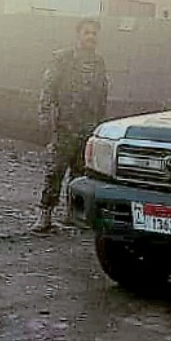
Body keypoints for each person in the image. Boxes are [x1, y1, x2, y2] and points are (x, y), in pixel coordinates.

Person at [32, 19, 108, 232]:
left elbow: (102, 95)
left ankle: (72, 215)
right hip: (64, 127)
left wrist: (100, 126)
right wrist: (44, 116)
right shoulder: (63, 59)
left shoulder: (99, 63)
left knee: (80, 175)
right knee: (55, 171)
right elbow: (48, 88)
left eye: (94, 33)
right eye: (86, 32)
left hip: (88, 128)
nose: (90, 37)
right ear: (78, 35)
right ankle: (45, 215)